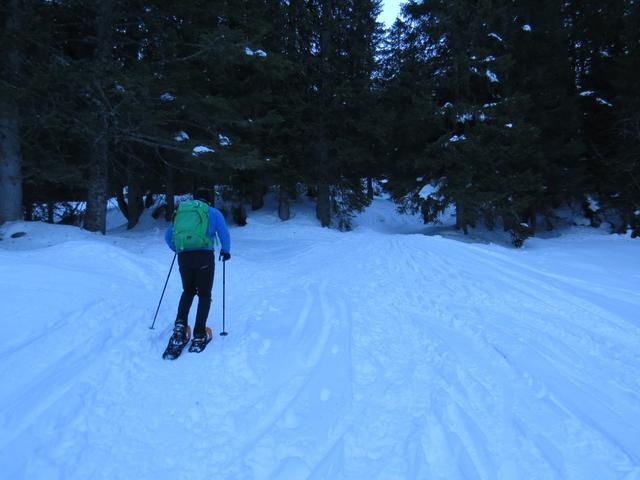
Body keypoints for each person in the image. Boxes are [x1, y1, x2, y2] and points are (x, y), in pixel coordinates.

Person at [164, 188, 231, 354]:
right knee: (204, 294)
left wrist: (177, 248)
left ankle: (180, 328)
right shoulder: (213, 212)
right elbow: (224, 234)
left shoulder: (182, 212)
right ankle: (199, 333)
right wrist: (226, 250)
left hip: (184, 257)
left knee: (187, 291)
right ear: (209, 200)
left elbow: (168, 235)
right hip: (204, 257)